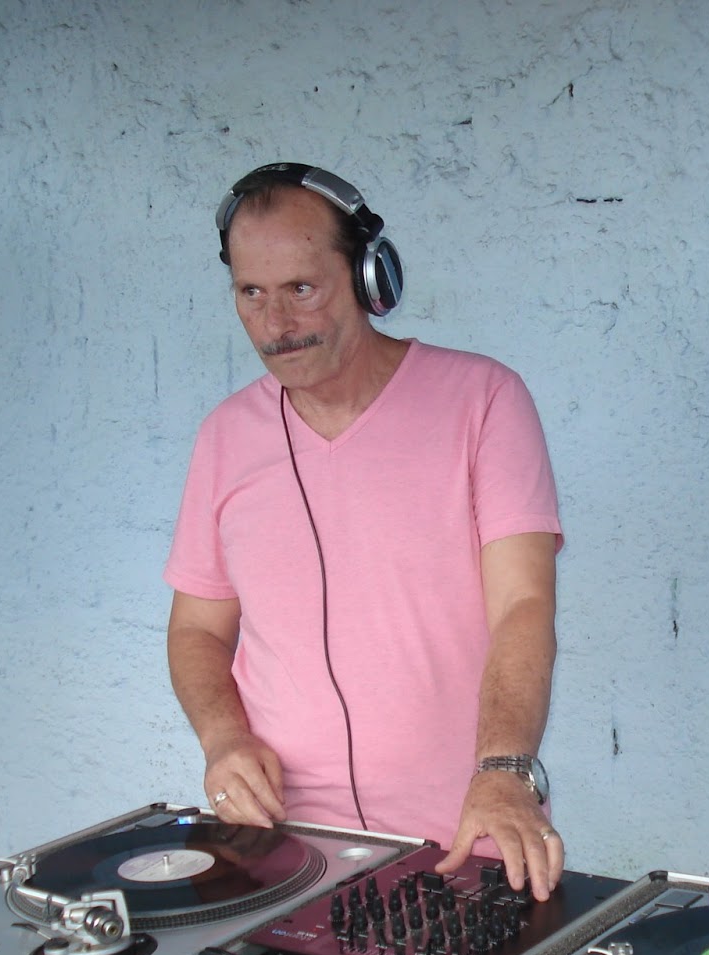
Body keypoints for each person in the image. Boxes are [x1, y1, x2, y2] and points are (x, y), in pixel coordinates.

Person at [164, 163, 564, 899]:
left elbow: (523, 605)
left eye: (301, 289)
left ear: (370, 278)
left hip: (467, 833)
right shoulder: (224, 437)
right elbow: (196, 629)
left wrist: (505, 770)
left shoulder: (483, 400)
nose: (275, 325)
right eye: (251, 293)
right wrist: (224, 741)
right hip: (278, 850)